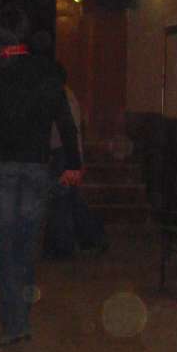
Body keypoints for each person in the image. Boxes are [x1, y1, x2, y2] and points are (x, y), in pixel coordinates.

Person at [0, 4, 82, 347]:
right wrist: (73, 162)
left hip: (3, 165)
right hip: (37, 164)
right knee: (26, 245)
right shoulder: (47, 70)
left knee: (5, 247)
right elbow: (64, 120)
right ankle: (21, 318)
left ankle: (13, 323)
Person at [43, 63, 107, 259]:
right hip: (65, 154)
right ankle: (92, 238)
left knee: (61, 201)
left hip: (63, 154)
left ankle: (63, 246)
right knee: (70, 200)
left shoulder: (63, 98)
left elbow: (70, 131)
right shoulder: (66, 96)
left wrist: (75, 161)